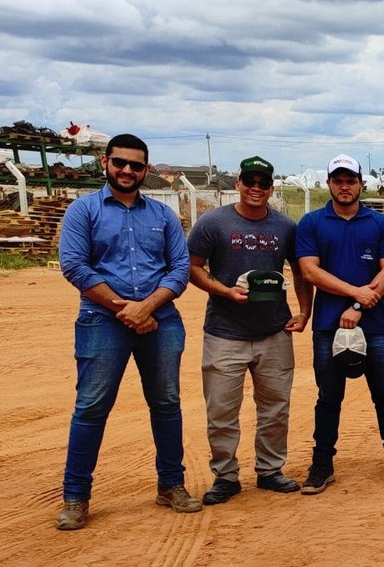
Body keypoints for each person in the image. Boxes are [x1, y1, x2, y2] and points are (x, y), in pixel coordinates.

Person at [55, 133, 199, 529]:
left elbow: (180, 269)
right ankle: (75, 497)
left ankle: (171, 485)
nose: (127, 170)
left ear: (146, 170)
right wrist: (127, 309)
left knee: (167, 403)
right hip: (102, 320)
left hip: (161, 319)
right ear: (106, 162)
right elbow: (75, 267)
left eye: (136, 165)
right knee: (91, 407)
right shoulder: (83, 212)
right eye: (120, 162)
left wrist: (148, 307)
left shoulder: (163, 216)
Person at [186, 155, 312, 504]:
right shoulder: (213, 223)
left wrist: (304, 313)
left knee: (275, 407)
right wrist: (225, 291)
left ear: (271, 188)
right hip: (224, 332)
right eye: (250, 182)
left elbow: (301, 273)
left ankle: (270, 470)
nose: (256, 188)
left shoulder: (285, 227)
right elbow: (192, 267)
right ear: (238, 184)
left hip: (274, 331)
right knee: (222, 412)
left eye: (264, 183)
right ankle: (225, 476)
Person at [295, 153, 384, 493]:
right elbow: (309, 271)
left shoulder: (380, 224)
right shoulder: (312, 223)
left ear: (361, 183)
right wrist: (354, 292)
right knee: (328, 396)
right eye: (338, 180)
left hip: (376, 326)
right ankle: (322, 463)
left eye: (351, 180)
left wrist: (358, 304)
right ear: (329, 184)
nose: (345, 186)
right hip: (329, 326)